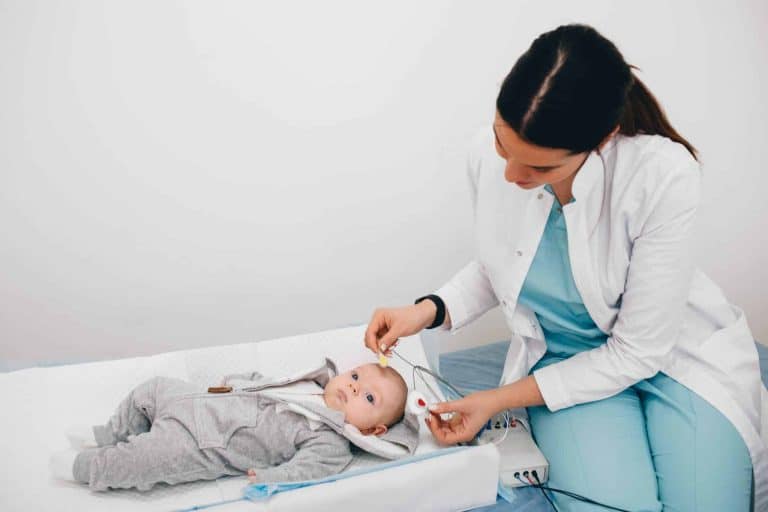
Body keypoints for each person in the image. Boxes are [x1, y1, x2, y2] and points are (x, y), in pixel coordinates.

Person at [364, 24, 762, 511]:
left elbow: (636, 353)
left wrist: (497, 398)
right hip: (565, 366)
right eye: (501, 145)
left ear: (603, 140)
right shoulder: (490, 161)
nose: (511, 175)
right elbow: (504, 263)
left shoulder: (661, 176)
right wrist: (427, 309)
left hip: (668, 357)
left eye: (539, 169)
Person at [49, 360, 412, 491]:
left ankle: (87, 468)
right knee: (152, 387)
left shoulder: (329, 440)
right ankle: (110, 432)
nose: (353, 386)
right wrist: (239, 378)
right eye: (356, 375)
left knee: (146, 460)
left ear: (372, 430)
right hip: (199, 398)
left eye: (368, 398)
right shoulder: (310, 383)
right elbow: (267, 380)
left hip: (203, 442)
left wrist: (270, 479)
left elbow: (308, 472)